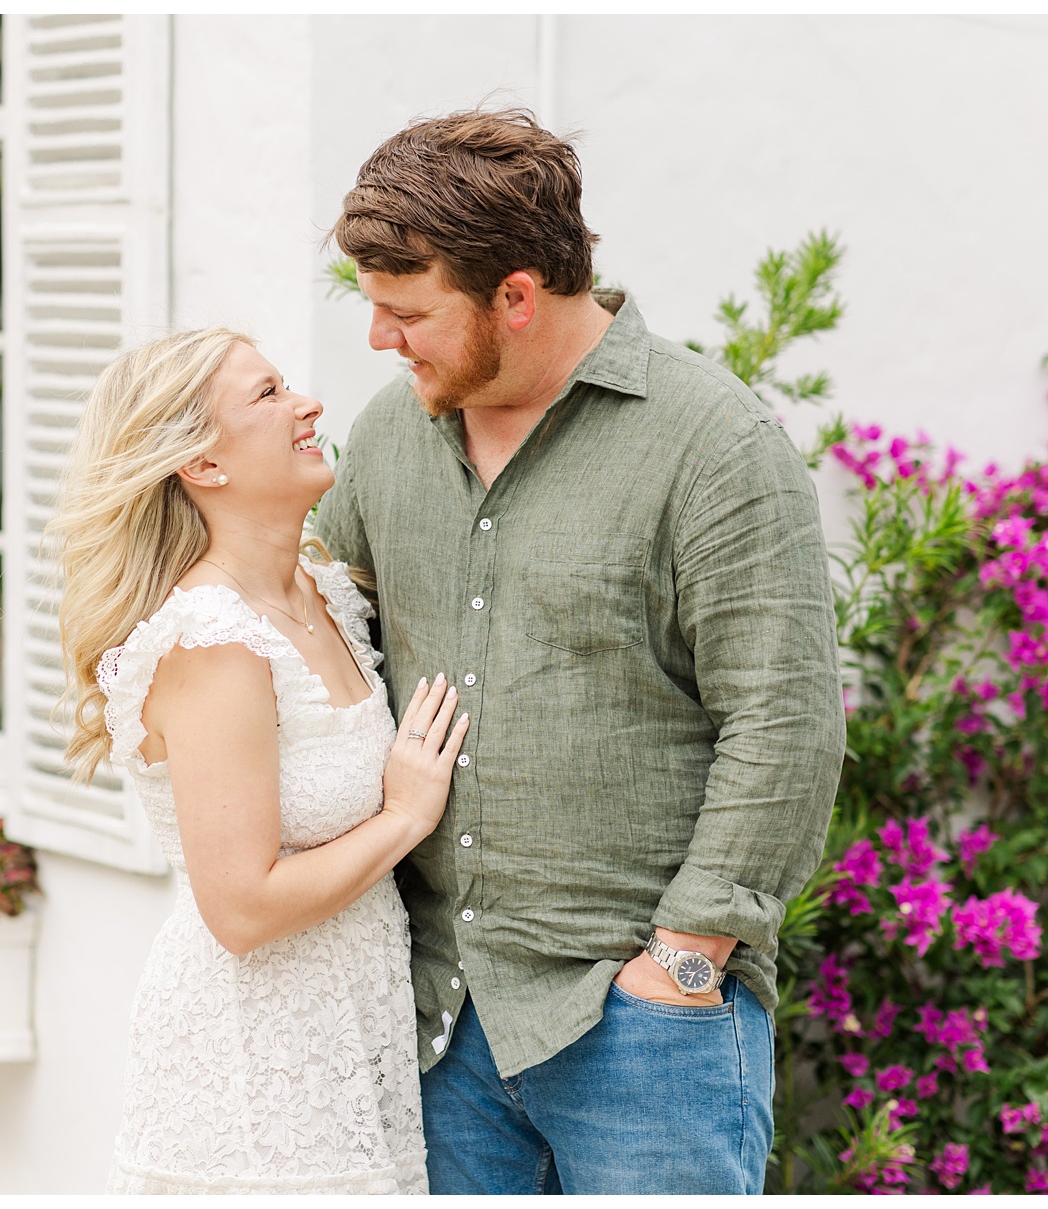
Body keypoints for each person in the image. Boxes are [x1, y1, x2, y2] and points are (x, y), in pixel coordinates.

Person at [314, 109, 847, 1195]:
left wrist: (685, 963)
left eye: (408, 313)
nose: (380, 340)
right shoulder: (383, 440)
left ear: (516, 295)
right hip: (439, 1023)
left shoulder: (715, 447)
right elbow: (322, 648)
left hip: (646, 1028)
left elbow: (782, 720)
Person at [52, 327, 466, 1193]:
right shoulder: (214, 641)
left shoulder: (327, 594)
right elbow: (240, 907)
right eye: (269, 394)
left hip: (355, 1044)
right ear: (202, 465)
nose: (308, 404)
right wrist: (404, 817)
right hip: (256, 1068)